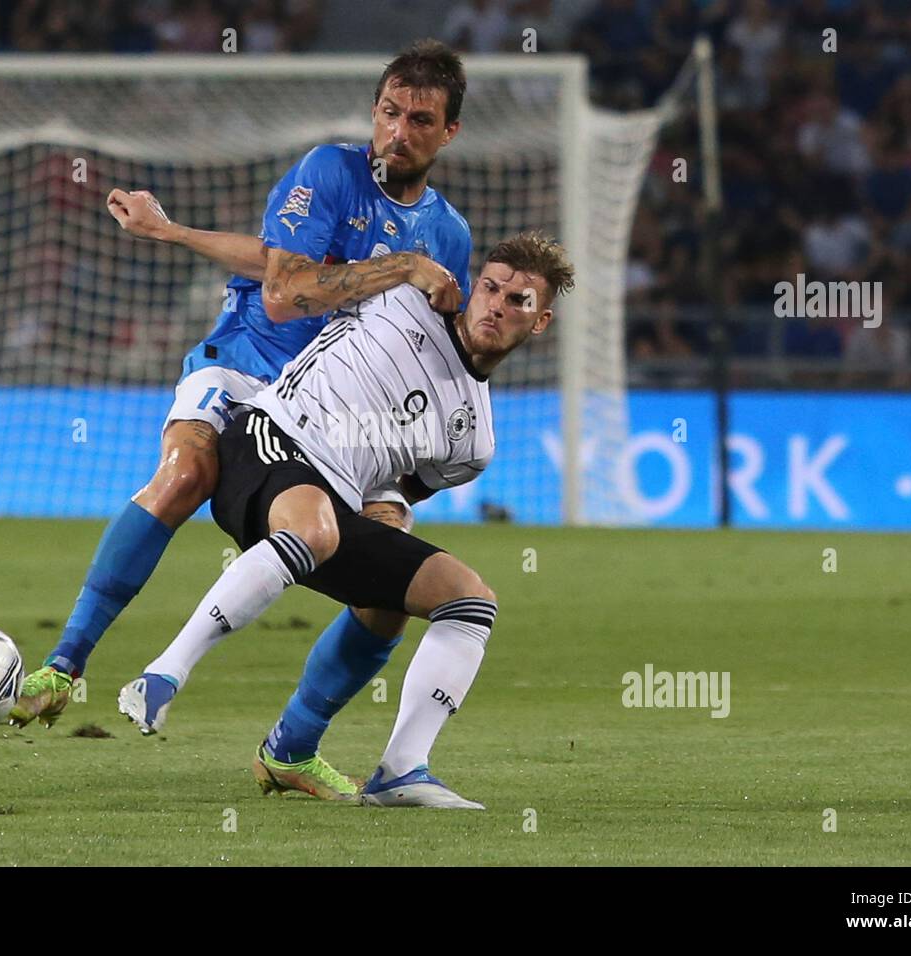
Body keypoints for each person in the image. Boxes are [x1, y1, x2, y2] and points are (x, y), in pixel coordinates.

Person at [8, 42, 474, 756]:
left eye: (419, 119)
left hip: (343, 409)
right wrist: (403, 267)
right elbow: (283, 291)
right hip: (253, 360)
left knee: (390, 574)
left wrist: (172, 231)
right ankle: (65, 663)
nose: (397, 131)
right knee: (187, 470)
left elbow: (429, 344)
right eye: (388, 112)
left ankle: (294, 749)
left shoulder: (450, 234)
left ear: (448, 134)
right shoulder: (329, 171)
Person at [117, 232, 575, 808]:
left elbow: (390, 492)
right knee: (316, 528)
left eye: (519, 302)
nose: (497, 306)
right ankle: (164, 673)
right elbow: (289, 283)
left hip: (324, 508)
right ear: (474, 286)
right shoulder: (401, 296)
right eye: (491, 288)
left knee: (465, 598)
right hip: (264, 442)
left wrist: (386, 545)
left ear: (541, 322)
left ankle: (397, 769)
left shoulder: (473, 440)